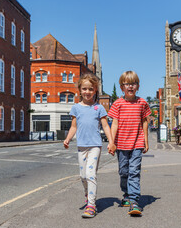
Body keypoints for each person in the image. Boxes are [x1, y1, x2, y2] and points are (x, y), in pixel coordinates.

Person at [64, 74, 116, 218]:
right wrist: (68, 138)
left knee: (90, 174)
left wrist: (111, 142)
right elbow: (73, 126)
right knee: (82, 176)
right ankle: (88, 195)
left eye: (90, 89)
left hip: (95, 146)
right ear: (79, 90)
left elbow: (105, 126)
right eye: (84, 89)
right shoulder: (76, 108)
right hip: (81, 146)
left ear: (95, 90)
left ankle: (91, 205)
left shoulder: (99, 108)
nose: (87, 92)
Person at [108, 70, 151, 216]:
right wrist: (111, 142)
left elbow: (145, 122)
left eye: (133, 83)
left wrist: (146, 140)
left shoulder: (142, 103)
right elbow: (114, 124)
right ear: (122, 87)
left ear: (138, 86)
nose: (130, 86)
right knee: (124, 172)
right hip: (121, 144)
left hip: (137, 143)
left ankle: (134, 200)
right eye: (127, 84)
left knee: (134, 172)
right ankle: (126, 194)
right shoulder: (117, 104)